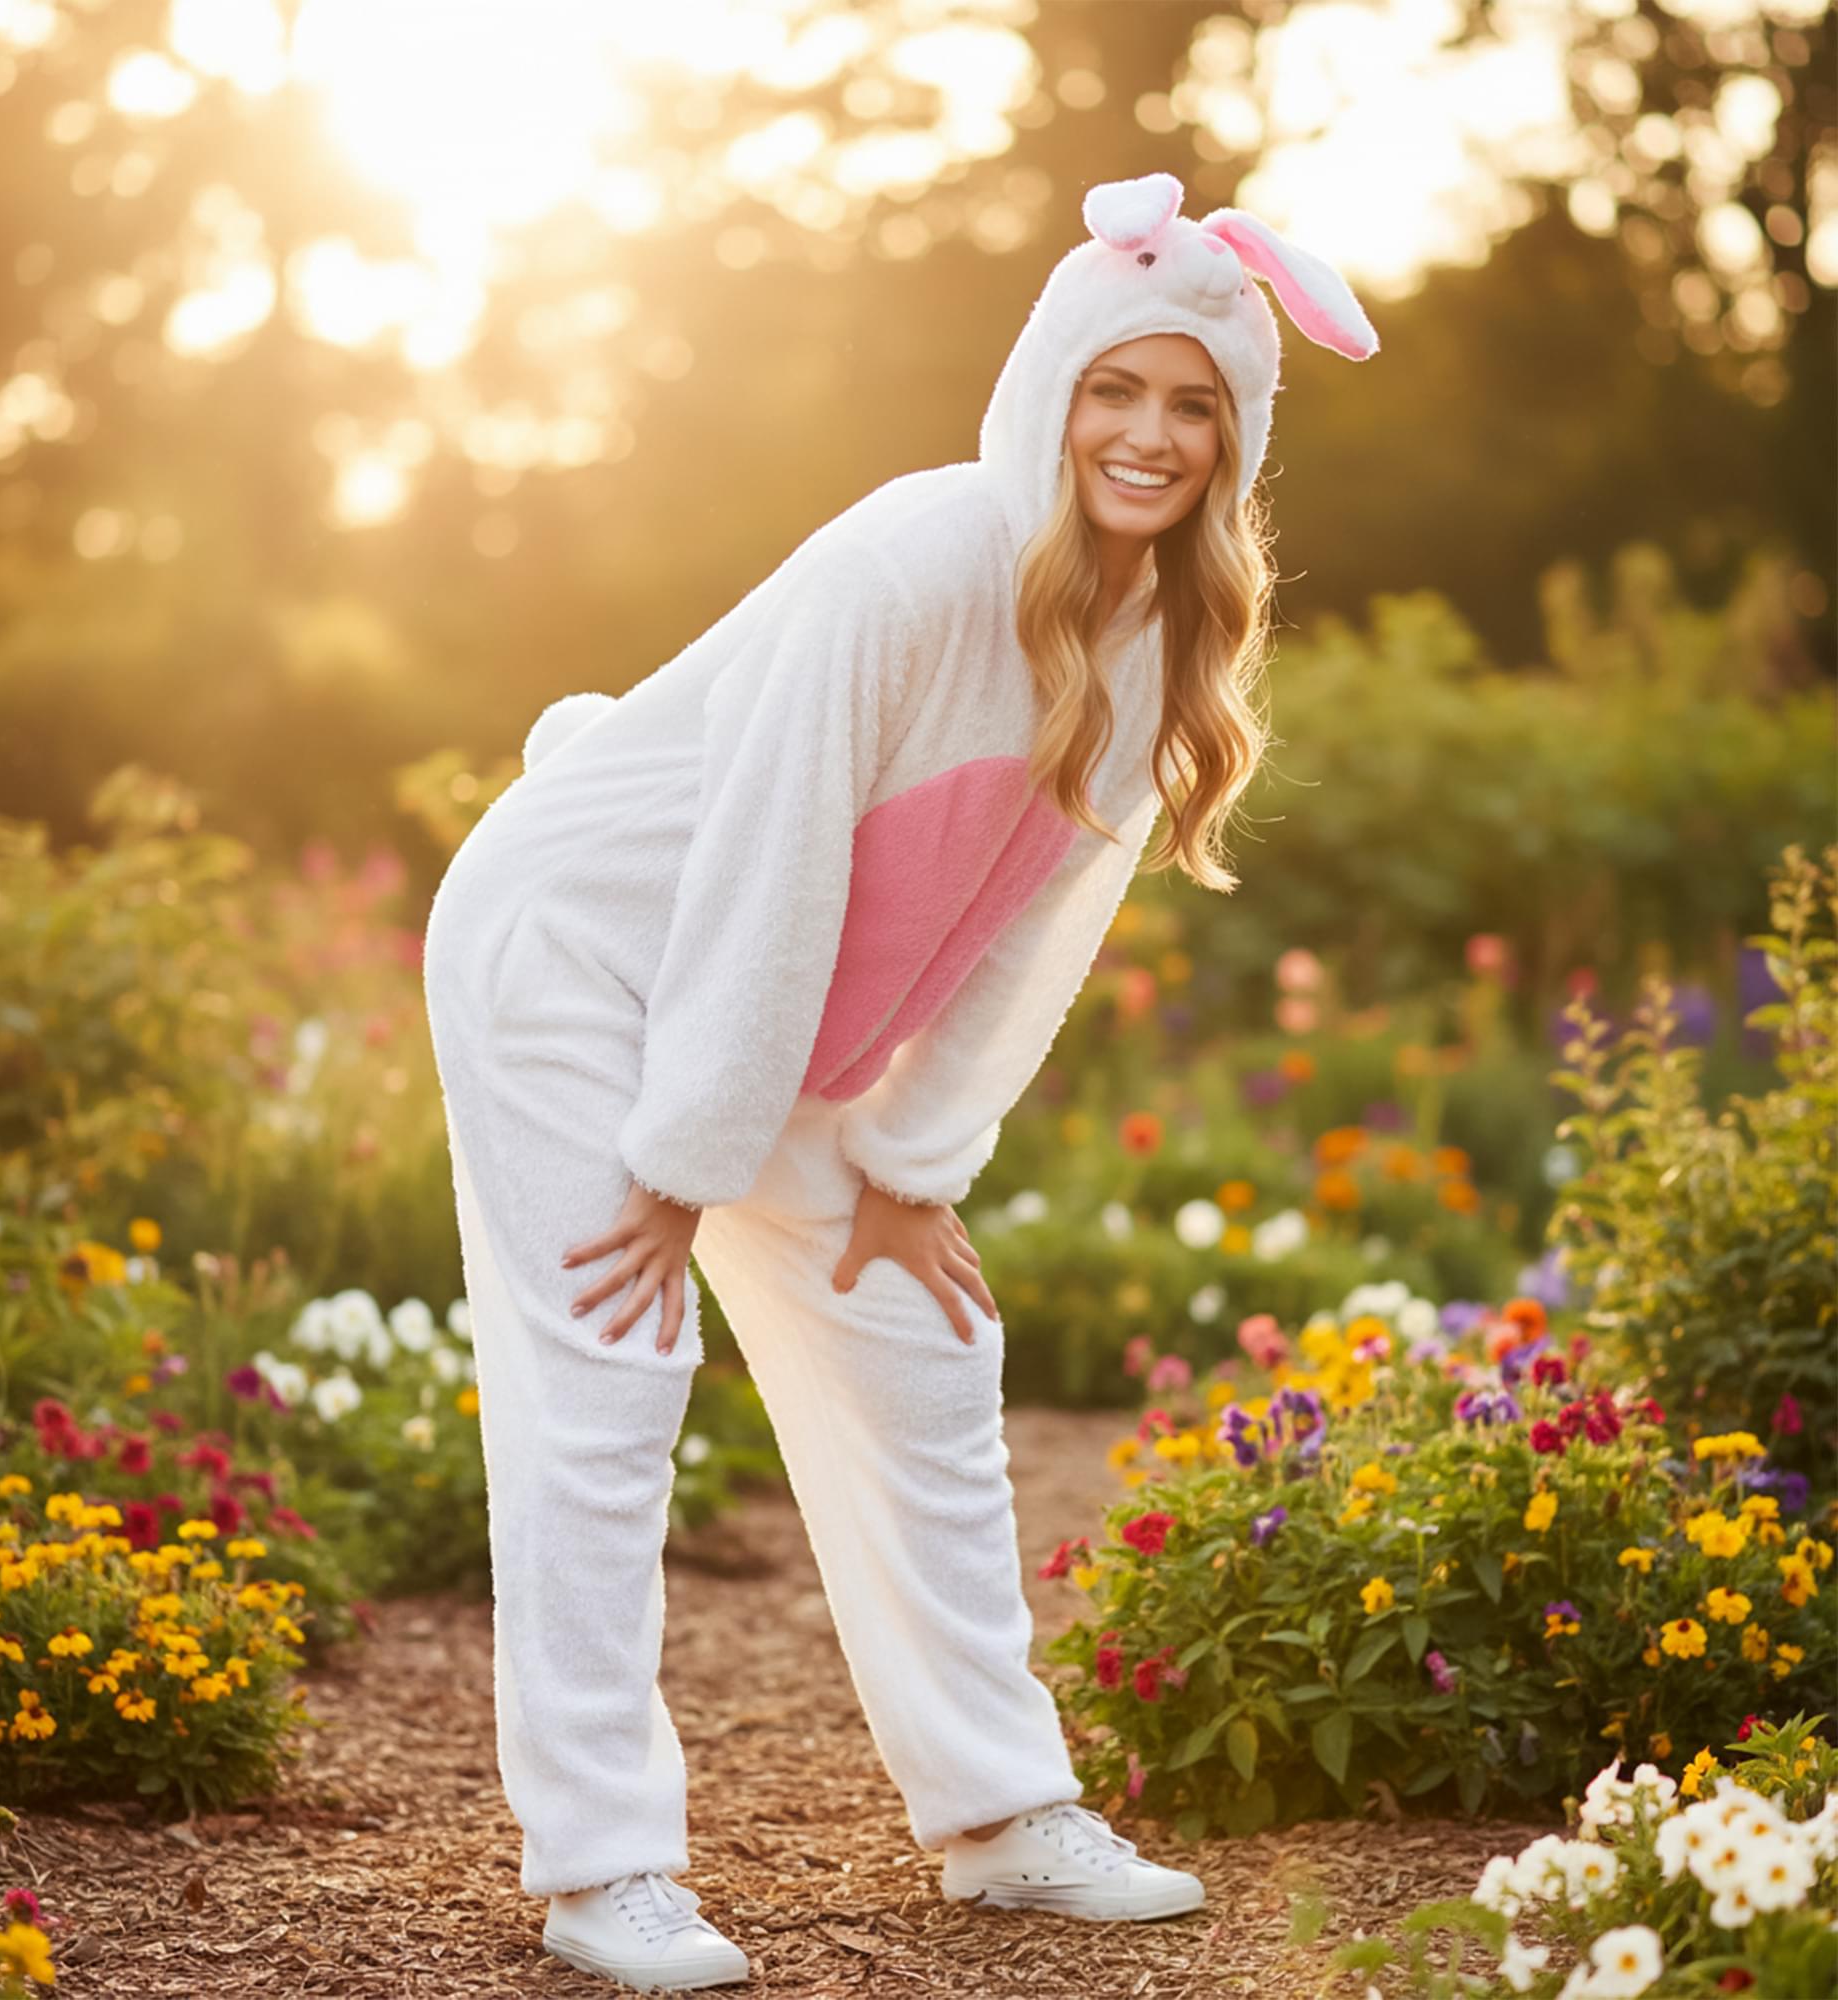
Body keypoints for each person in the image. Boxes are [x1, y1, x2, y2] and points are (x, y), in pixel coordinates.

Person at [420, 168, 1379, 1993]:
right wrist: (693, 1153)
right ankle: (601, 1866)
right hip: (582, 940)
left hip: (752, 1003)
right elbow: (773, 852)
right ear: (1051, 391)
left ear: (1236, 443)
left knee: (923, 1342)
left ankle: (1005, 1817)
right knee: (612, 1369)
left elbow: (1034, 930)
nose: (1151, 435)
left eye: (1196, 405)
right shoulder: (918, 558)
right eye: (1118, 388)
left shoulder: (1167, 633)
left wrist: (910, 1165)